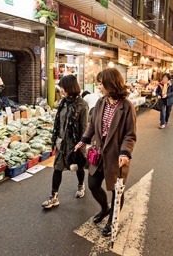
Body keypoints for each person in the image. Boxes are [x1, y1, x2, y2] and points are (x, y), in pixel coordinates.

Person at [74, 68, 136, 237]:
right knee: (93, 185)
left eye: (101, 84)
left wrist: (125, 153)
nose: (98, 87)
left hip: (116, 156)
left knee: (117, 191)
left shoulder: (127, 106)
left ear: (111, 84)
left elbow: (130, 135)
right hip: (98, 154)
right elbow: (92, 126)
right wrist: (83, 141)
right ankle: (104, 209)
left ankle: (111, 221)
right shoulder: (100, 102)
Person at [42, 75, 89, 209]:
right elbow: (59, 123)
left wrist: (81, 144)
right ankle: (54, 196)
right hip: (61, 142)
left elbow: (85, 127)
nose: (61, 90)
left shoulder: (82, 105)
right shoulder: (62, 103)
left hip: (75, 143)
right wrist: (56, 138)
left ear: (69, 87)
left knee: (78, 166)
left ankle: (81, 185)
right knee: (57, 168)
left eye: (62, 87)